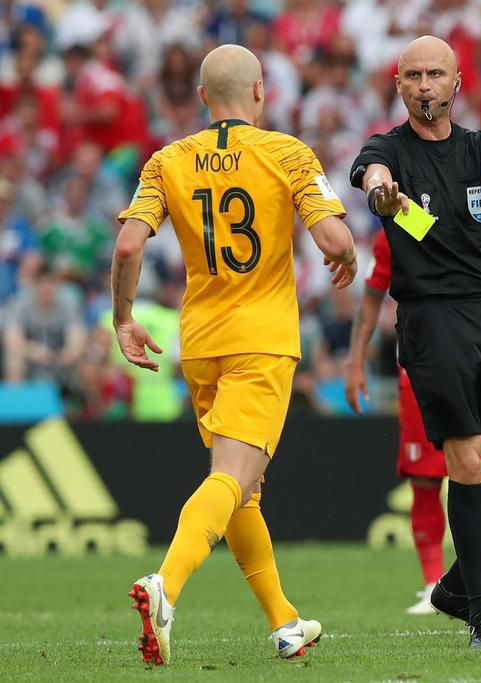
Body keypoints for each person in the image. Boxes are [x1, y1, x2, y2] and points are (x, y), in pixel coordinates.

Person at [112, 44, 358, 665]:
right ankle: (164, 586)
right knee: (230, 479)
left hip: (201, 345)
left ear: (201, 99)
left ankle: (285, 622)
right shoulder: (286, 153)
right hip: (262, 341)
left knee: (244, 491)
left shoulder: (167, 160)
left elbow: (126, 247)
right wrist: (346, 253)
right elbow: (332, 236)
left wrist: (123, 318)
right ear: (259, 93)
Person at [349, 35, 481, 649]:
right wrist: (382, 192)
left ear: (457, 83)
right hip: (431, 321)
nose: (425, 84)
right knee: (464, 462)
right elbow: (373, 175)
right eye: (413, 75)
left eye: (436, 73)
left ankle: (454, 587)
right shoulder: (386, 150)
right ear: (399, 83)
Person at [345, 223, 481, 614]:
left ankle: (465, 580)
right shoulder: (398, 225)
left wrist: (461, 247)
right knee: (425, 476)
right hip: (426, 359)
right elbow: (372, 296)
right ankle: (434, 582)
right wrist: (355, 359)